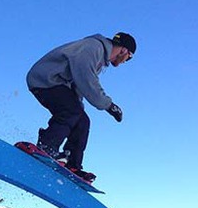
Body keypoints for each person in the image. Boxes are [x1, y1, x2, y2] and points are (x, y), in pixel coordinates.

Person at [26, 32, 136, 182]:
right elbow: (86, 78)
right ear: (124, 50)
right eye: (129, 57)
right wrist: (108, 105)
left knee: (82, 121)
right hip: (45, 79)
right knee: (71, 112)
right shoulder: (93, 47)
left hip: (58, 83)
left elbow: (79, 86)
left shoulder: (99, 57)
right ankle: (46, 146)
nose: (126, 61)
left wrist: (80, 111)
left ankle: (73, 164)